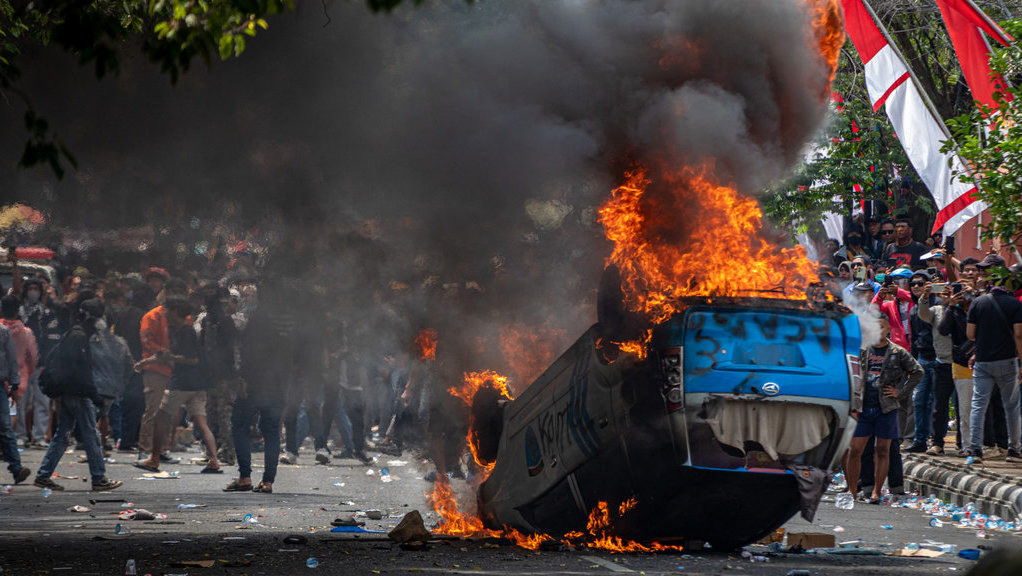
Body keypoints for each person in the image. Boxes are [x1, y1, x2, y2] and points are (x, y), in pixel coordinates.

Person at [33, 299, 123, 491]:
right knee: (90, 434)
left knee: (63, 435)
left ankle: (43, 475)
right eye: (100, 316)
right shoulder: (78, 336)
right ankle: (99, 478)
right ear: (92, 317)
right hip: (77, 393)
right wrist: (94, 395)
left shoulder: (78, 334)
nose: (103, 321)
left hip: (71, 392)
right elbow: (80, 371)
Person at [135, 297, 222, 474]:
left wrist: (172, 359)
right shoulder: (180, 331)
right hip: (197, 386)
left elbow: (192, 359)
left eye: (168, 310)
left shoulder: (186, 332)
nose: (165, 313)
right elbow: (168, 353)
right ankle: (214, 460)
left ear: (175, 312)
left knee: (160, 417)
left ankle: (154, 458)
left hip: (183, 384)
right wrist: (146, 362)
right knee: (201, 422)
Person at [845, 312, 923, 503]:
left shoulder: (898, 352)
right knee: (855, 449)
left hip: (886, 408)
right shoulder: (863, 350)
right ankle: (852, 490)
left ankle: (877, 492)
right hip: (863, 407)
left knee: (883, 450)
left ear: (888, 329)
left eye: (882, 327)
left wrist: (900, 392)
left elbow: (917, 372)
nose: (878, 331)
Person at [225, 283, 294, 493]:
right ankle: (268, 481)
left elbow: (249, 351)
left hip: (256, 382)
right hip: (279, 383)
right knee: (272, 430)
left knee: (239, 423)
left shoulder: (259, 318)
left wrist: (243, 379)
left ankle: (245, 476)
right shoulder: (290, 320)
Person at [965, 259, 1022, 464]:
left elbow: (970, 334)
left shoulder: (978, 303)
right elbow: (1018, 335)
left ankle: (975, 450)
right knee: (1012, 406)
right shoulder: (1014, 304)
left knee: (978, 405)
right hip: (1007, 360)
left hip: (983, 361)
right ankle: (1014, 450)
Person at [18, 277, 62, 448]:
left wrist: (46, 361)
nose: (33, 291)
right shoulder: (19, 313)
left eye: (37, 288)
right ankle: (20, 434)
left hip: (40, 364)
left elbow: (52, 339)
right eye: (31, 288)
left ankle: (39, 435)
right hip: (21, 364)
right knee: (21, 401)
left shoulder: (47, 313)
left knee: (42, 401)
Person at [905, 271, 937, 453]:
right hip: (922, 359)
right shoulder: (914, 309)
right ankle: (920, 440)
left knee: (934, 401)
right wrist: (912, 363)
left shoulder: (938, 304)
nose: (916, 286)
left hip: (938, 357)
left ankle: (935, 440)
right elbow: (914, 338)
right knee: (919, 400)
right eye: (913, 284)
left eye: (920, 283)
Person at [0, 306, 31, 485]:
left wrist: (14, 384)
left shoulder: (3, 332)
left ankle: (16, 468)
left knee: (5, 427)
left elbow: (12, 359)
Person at [1, 295, 38, 435]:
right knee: (14, 411)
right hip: (19, 376)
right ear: (18, 311)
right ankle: (12, 439)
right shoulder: (26, 332)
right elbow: (33, 355)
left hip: (1, 376)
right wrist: (30, 370)